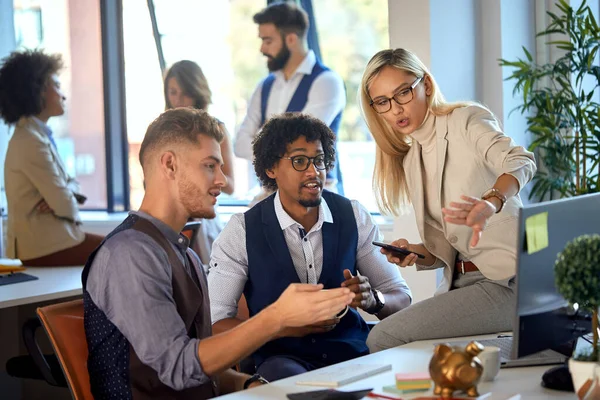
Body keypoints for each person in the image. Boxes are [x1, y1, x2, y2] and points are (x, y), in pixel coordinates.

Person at [82, 108, 354, 399]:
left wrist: (247, 385)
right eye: (210, 166)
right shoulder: (129, 254)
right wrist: (276, 318)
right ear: (170, 165)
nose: (223, 180)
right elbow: (178, 367)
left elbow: (201, 364)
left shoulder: (185, 255)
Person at [209, 112, 412, 382]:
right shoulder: (242, 230)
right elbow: (215, 323)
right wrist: (280, 326)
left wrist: (374, 299)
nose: (313, 171)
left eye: (318, 160)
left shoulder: (353, 215)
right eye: (299, 161)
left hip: (353, 353)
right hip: (280, 361)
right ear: (271, 169)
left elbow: (400, 297)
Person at [358, 48, 537, 351]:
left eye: (403, 93)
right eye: (383, 102)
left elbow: (520, 160)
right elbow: (447, 248)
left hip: (510, 281)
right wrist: (414, 252)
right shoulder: (412, 159)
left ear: (425, 85)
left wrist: (491, 201)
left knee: (383, 336)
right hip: (464, 283)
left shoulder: (465, 119)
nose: (396, 109)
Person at [0, 50, 103, 266]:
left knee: (122, 248)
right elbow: (66, 205)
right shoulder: (30, 140)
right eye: (56, 85)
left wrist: (62, 196)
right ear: (37, 91)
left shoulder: (37, 135)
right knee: (121, 251)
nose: (63, 95)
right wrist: (62, 198)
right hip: (41, 245)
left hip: (52, 240)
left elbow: (69, 189)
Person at [234, 1, 346, 195]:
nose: (262, 49)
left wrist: (264, 142)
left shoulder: (327, 82)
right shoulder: (264, 86)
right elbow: (239, 144)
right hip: (272, 195)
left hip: (318, 194)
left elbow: (302, 143)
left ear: (291, 40)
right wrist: (277, 147)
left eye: (268, 41)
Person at [163, 60, 236, 265]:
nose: (178, 100)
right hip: (169, 216)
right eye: (173, 92)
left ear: (197, 91)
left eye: (185, 92)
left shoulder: (216, 130)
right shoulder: (163, 133)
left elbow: (230, 185)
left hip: (203, 219)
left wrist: (203, 173)